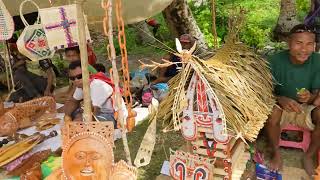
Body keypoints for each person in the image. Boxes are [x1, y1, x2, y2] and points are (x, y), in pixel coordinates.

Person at [266, 24, 320, 176]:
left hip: (305, 109)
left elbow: (317, 98)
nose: (304, 49)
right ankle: (276, 152)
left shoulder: (317, 61)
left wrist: (311, 97)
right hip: (280, 107)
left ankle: (308, 156)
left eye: (310, 44)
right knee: (272, 112)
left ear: (314, 45)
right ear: (289, 42)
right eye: (299, 43)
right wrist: (280, 98)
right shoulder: (273, 61)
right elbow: (262, 92)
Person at [64, 61, 126, 128]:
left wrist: (77, 119)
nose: (76, 80)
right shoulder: (81, 84)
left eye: (79, 76)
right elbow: (72, 102)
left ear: (88, 74)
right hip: (98, 113)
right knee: (75, 112)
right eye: (72, 78)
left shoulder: (97, 85)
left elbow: (93, 111)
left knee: (84, 120)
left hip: (114, 116)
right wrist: (67, 116)